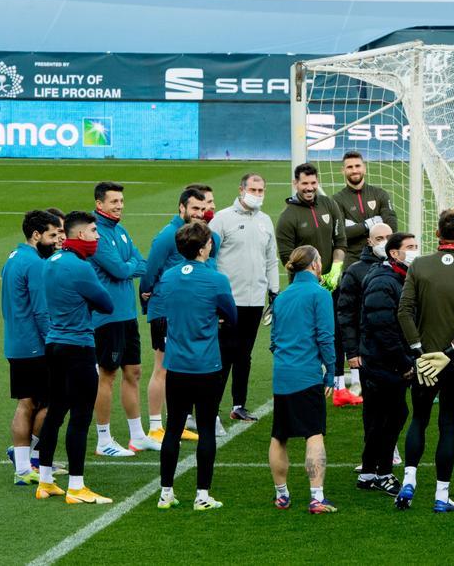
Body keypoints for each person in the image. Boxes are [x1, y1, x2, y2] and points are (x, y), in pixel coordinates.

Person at [395, 209, 454, 512]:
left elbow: (403, 311)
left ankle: (409, 480)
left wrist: (420, 351)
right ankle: (441, 495)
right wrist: (450, 350)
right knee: (448, 425)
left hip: (424, 361)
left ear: (437, 234)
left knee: (419, 419)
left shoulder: (419, 266)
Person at [155, 222, 237, 512]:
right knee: (205, 428)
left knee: (174, 427)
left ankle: (166, 492)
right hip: (206, 365)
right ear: (204, 248)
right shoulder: (216, 280)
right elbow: (232, 315)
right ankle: (202, 495)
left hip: (176, 364)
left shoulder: (169, 277)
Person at [36, 211, 115, 504]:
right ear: (80, 234)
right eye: (94, 231)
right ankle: (77, 487)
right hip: (78, 347)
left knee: (55, 412)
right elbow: (106, 303)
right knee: (81, 417)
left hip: (54, 345)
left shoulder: (51, 262)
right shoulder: (81, 268)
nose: (97, 236)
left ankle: (45, 482)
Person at [141, 188, 215, 444]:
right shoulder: (166, 236)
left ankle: (176, 422)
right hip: (164, 310)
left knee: (175, 369)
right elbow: (150, 271)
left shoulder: (194, 234)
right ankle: (154, 426)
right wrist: (147, 297)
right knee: (161, 368)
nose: (198, 213)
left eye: (201, 208)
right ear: (181, 208)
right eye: (193, 208)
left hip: (179, 310)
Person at [268, 245, 339, 514]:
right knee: (313, 433)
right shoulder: (320, 295)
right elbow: (325, 337)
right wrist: (330, 371)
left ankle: (282, 495)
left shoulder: (282, 298)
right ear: (315, 265)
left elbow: (274, 341)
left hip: (282, 375)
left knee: (279, 435)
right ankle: (316, 497)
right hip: (307, 375)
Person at [275, 163, 354, 404]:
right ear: (295, 184)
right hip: (304, 289)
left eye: (312, 183)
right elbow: (288, 259)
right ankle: (307, 381)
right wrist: (314, 279)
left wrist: (336, 270)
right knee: (307, 334)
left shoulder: (329, 204)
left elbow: (340, 242)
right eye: (304, 184)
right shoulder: (287, 218)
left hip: (332, 284)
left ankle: (339, 386)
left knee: (334, 332)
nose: (309, 188)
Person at [210, 173, 280, 423]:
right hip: (228, 301)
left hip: (254, 301)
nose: (258, 194)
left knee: (244, 355)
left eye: (261, 190)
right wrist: (214, 295)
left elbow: (271, 259)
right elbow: (210, 258)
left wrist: (274, 290)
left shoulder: (265, 221)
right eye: (253, 189)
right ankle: (212, 409)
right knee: (223, 355)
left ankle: (239, 404)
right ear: (241, 189)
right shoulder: (222, 219)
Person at [90, 182, 153, 457]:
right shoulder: (97, 234)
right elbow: (118, 269)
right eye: (114, 201)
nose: (119, 206)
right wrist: (128, 267)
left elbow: (143, 263)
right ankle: (103, 440)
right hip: (107, 317)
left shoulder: (121, 230)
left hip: (127, 314)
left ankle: (137, 436)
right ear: (99, 204)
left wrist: (127, 267)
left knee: (134, 372)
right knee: (108, 375)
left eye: (121, 201)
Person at [357, 232, 419, 496]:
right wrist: (404, 362)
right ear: (394, 253)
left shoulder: (393, 278)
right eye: (410, 247)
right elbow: (383, 327)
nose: (416, 251)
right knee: (390, 416)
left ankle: (369, 472)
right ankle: (382, 473)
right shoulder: (384, 282)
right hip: (383, 363)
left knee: (383, 416)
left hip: (382, 361)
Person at [2, 210, 60, 485]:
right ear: (36, 235)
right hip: (35, 346)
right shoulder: (35, 263)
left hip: (16, 341)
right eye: (51, 235)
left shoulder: (13, 258)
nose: (55, 240)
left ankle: (26, 464)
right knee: (47, 403)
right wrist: (54, 342)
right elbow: (41, 311)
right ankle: (27, 462)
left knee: (27, 402)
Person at [337, 222, 394, 473]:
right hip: (368, 350)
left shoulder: (401, 268)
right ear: (369, 242)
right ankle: (371, 458)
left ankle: (390, 451)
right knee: (372, 405)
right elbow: (345, 313)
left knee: (395, 405)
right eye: (378, 238)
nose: (383, 242)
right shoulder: (355, 271)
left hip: (394, 349)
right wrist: (352, 351)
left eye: (388, 237)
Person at [332, 151, 398, 270]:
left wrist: (356, 228)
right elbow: (342, 234)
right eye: (350, 167)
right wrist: (369, 224)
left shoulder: (380, 194)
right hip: (353, 260)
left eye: (358, 166)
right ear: (343, 170)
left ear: (364, 168)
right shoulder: (337, 200)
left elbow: (392, 226)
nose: (354, 170)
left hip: (381, 257)